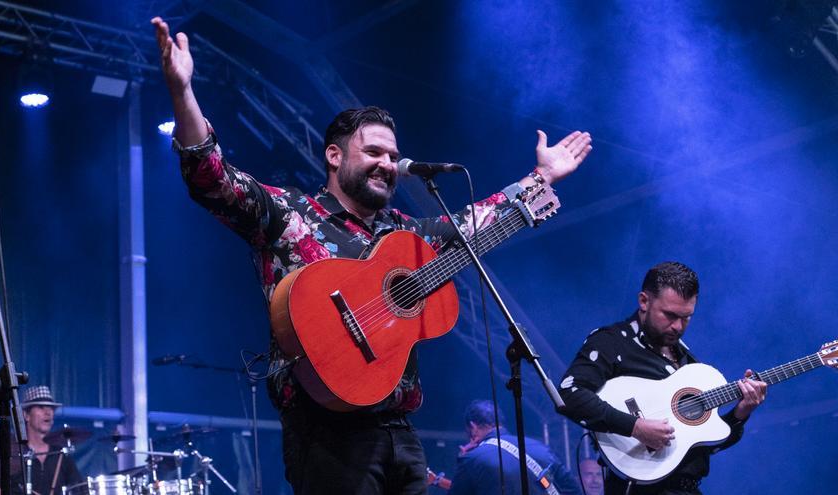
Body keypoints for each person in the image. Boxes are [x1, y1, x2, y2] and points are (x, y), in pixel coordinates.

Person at [151, 16, 592, 495]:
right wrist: (183, 92)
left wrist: (540, 179)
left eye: (392, 155)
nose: (387, 164)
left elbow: (473, 221)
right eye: (375, 152)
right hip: (325, 430)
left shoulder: (405, 233)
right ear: (335, 156)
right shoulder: (290, 214)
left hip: (400, 430)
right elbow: (213, 180)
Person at [557, 262, 768, 495]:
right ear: (644, 301)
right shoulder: (612, 342)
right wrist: (635, 427)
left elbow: (704, 448)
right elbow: (568, 394)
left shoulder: (688, 362)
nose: (678, 326)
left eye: (686, 317)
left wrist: (741, 413)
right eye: (670, 315)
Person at [449, 400, 582, 495]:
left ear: (473, 427)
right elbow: (573, 490)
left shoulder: (472, 459)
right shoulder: (540, 448)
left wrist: (464, 459)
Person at [0, 386, 83, 495]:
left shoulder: (62, 455)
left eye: (51, 408)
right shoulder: (13, 454)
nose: (48, 412)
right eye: (41, 407)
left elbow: (79, 489)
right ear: (26, 415)